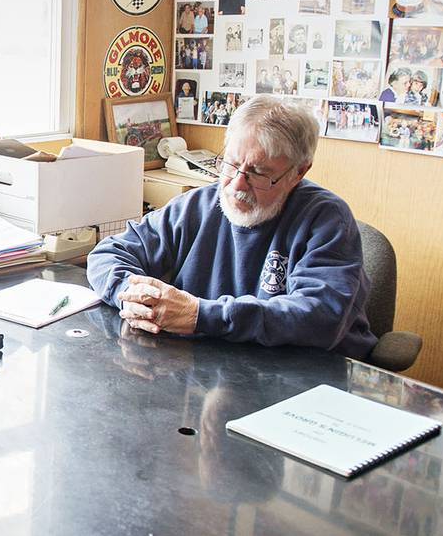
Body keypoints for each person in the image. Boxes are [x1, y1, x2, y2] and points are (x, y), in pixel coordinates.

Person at [88, 96, 375, 359]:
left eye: (258, 173)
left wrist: (200, 315)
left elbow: (319, 317)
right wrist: (130, 294)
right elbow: (108, 253)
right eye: (230, 164)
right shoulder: (199, 204)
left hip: (303, 378)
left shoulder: (326, 219)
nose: (236, 185)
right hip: (212, 366)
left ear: (298, 172)